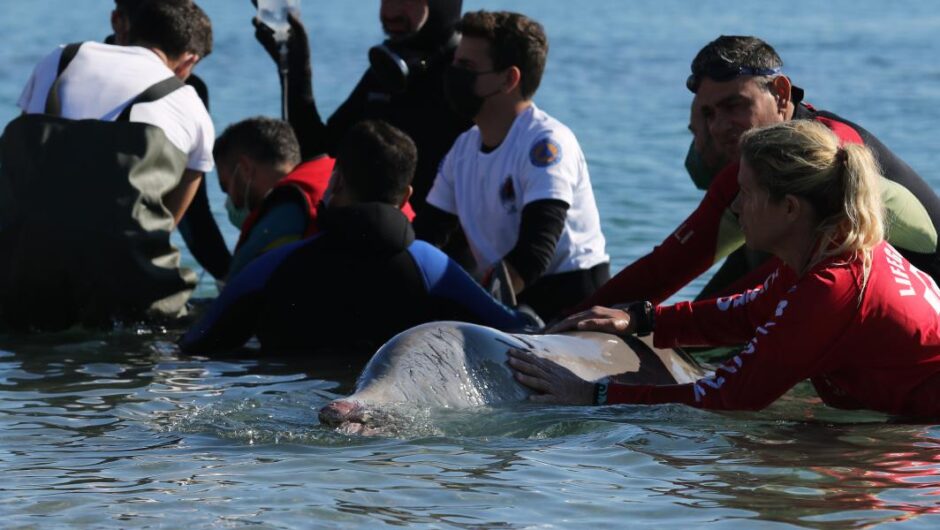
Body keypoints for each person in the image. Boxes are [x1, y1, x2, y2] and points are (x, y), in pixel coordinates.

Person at [509, 120, 940, 418]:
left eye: (747, 193)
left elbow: (730, 396)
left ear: (789, 208)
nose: (736, 207)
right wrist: (642, 319)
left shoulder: (831, 285)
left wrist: (593, 395)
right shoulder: (830, 247)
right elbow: (749, 312)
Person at [572, 35, 940, 313]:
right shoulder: (750, 166)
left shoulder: (828, 157)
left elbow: (775, 294)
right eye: (709, 114)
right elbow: (667, 267)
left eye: (735, 105)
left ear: (781, 94)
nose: (719, 127)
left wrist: (651, 323)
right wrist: (571, 323)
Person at [180, 120, 538, 355]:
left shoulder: (274, 266)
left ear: (335, 183)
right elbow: (518, 332)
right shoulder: (432, 269)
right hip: (394, 431)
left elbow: (196, 345)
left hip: (289, 427)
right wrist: (528, 314)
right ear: (406, 197)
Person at [2, 1, 214, 329]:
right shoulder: (190, 105)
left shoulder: (60, 59)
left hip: (22, 263)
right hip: (123, 279)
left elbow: (24, 167)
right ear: (189, 61)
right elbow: (168, 222)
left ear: (127, 27)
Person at [414, 10, 609, 321]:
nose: (452, 75)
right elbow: (426, 234)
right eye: (454, 63)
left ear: (509, 79)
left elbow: (536, 251)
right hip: (511, 295)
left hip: (570, 298)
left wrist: (483, 310)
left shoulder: (546, 143)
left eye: (466, 67)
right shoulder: (463, 147)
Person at [252, 0, 469, 216]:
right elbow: (319, 160)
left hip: (429, 245)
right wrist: (295, 71)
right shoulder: (384, 74)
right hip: (372, 238)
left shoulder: (472, 80)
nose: (390, 12)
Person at [109, 0, 232, 281]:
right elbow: (191, 215)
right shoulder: (185, 91)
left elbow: (194, 214)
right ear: (119, 21)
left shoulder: (69, 64)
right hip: (126, 260)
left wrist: (230, 275)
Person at [214, 117, 417, 278]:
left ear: (246, 169)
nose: (228, 201)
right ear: (405, 197)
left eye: (225, 187)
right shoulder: (423, 257)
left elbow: (235, 289)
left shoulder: (285, 213)